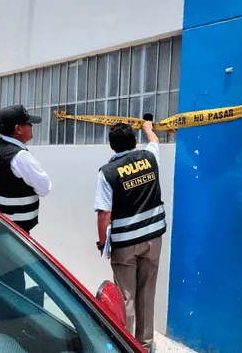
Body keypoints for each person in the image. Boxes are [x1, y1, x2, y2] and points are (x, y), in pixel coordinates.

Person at [94, 121, 166, 352]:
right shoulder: (149, 157)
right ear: (135, 142)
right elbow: (155, 141)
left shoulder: (107, 172)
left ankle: (125, 345)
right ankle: (144, 346)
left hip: (125, 245)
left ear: (111, 146)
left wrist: (103, 244)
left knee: (126, 298)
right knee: (146, 294)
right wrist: (148, 128)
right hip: (153, 240)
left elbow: (105, 212)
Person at [0, 104, 52, 293]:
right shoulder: (20, 157)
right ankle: (6, 313)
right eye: (28, 124)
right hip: (16, 228)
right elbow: (45, 188)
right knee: (14, 276)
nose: (31, 127)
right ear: (18, 129)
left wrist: (2, 183)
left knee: (1, 271)